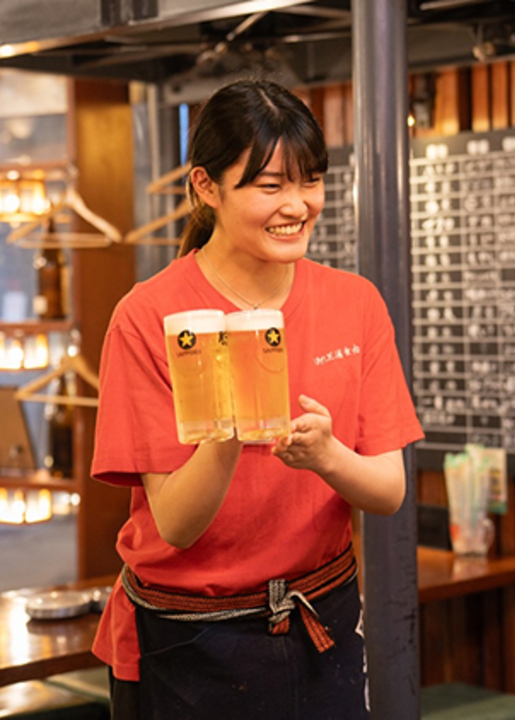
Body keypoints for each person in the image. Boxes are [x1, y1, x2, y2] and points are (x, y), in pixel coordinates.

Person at [89, 78, 424, 720]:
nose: (297, 205)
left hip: (318, 624)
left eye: (311, 182)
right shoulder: (150, 316)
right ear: (206, 187)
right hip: (189, 640)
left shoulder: (354, 303)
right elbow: (178, 527)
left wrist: (327, 454)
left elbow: (387, 490)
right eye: (270, 186)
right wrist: (226, 433)